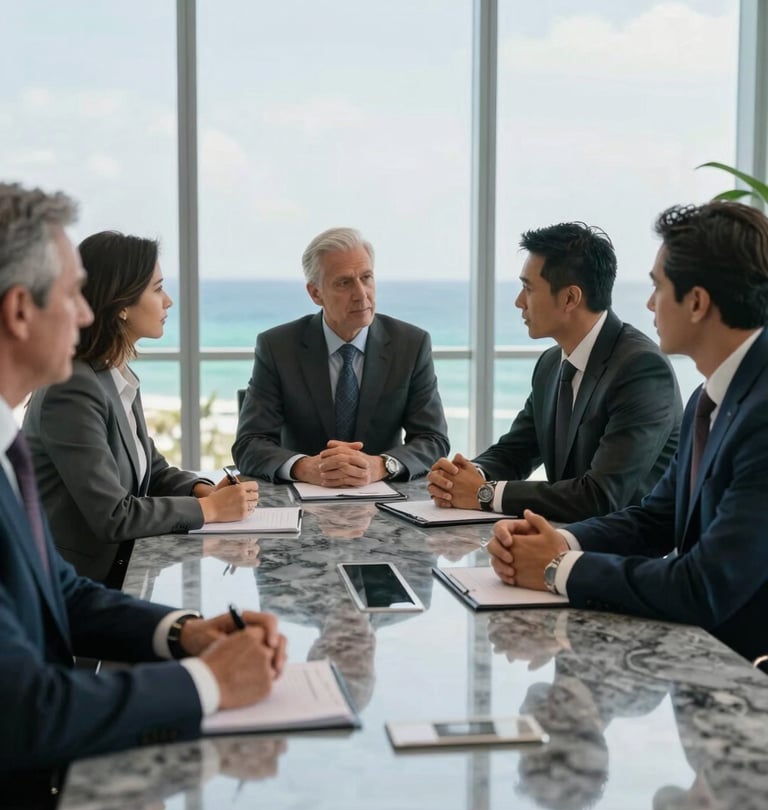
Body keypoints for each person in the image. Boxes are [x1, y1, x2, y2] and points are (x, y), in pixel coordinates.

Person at [0, 182, 287, 769]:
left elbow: (61, 590)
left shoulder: (11, 443)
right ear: (21, 311)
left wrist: (186, 632)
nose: (85, 313)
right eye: (73, 294)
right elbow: (28, 710)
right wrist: (210, 682)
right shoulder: (68, 393)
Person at [487, 201, 768, 663]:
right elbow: (656, 518)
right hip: (703, 661)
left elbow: (703, 586)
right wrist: (563, 541)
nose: (649, 303)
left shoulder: (761, 416)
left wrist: (558, 568)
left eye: (658, 287)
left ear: (697, 303)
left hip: (746, 676)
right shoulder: (707, 398)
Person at [22, 231, 259, 584]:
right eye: (157, 289)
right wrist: (209, 509)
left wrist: (203, 491)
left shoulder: (113, 373)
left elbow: (153, 470)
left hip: (125, 567)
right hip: (81, 584)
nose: (168, 301)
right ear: (121, 304)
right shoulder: (72, 389)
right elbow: (113, 516)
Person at [428, 222, 682, 522]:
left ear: (570, 298)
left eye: (528, 288)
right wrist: (463, 477)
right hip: (562, 536)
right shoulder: (550, 364)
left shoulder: (642, 369)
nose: (519, 302)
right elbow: (516, 451)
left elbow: (600, 496)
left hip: (625, 546)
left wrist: (485, 493)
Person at [233, 227, 449, 486]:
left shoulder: (411, 344)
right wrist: (304, 467)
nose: (361, 294)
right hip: (304, 496)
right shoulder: (278, 347)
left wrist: (381, 465)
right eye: (344, 283)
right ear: (315, 293)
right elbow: (249, 444)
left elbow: (433, 439)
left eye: (366, 278)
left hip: (383, 495)